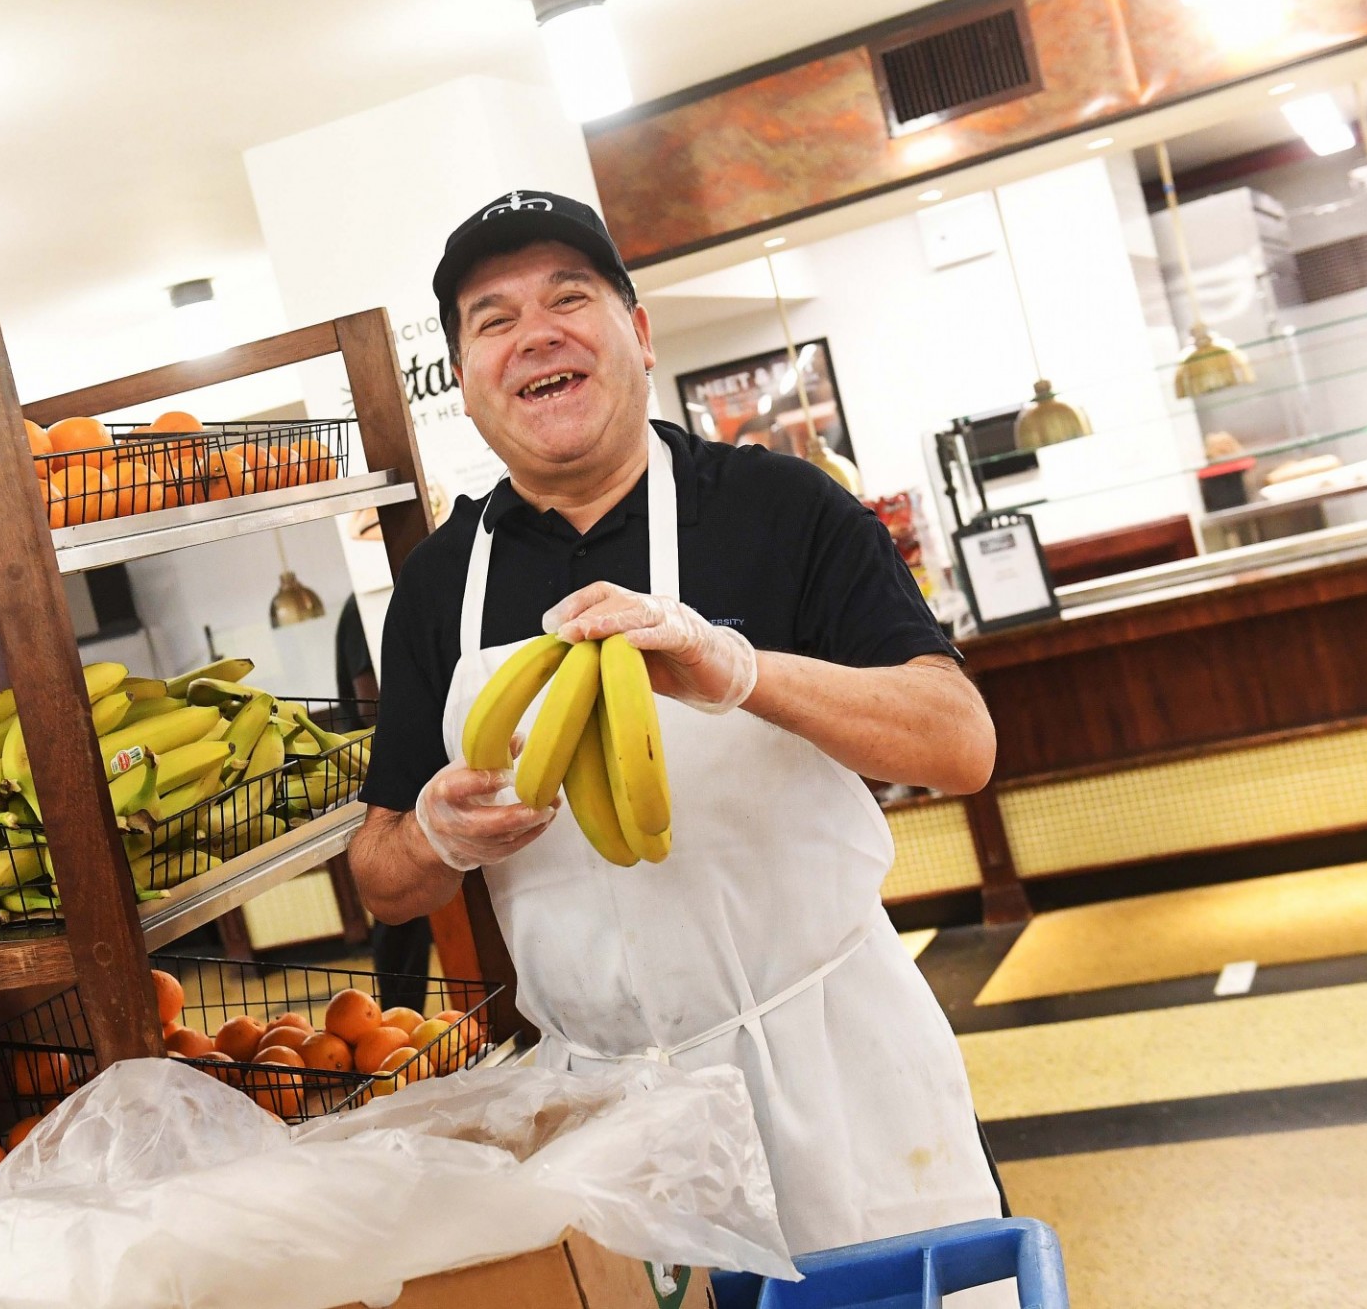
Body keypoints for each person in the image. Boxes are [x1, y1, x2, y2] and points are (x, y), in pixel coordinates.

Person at [348, 189, 1004, 1256]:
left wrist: (740, 668)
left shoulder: (780, 508)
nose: (536, 335)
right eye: (493, 318)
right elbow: (380, 875)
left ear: (639, 335)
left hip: (835, 1069)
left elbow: (958, 740)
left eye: (570, 297)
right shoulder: (438, 588)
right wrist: (433, 837)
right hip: (604, 1116)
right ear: (465, 384)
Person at [335, 594, 430, 1012]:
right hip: (382, 762)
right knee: (400, 903)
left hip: (398, 756)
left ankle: (400, 1015)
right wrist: (413, 725)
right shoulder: (363, 606)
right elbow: (365, 692)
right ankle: (396, 1015)